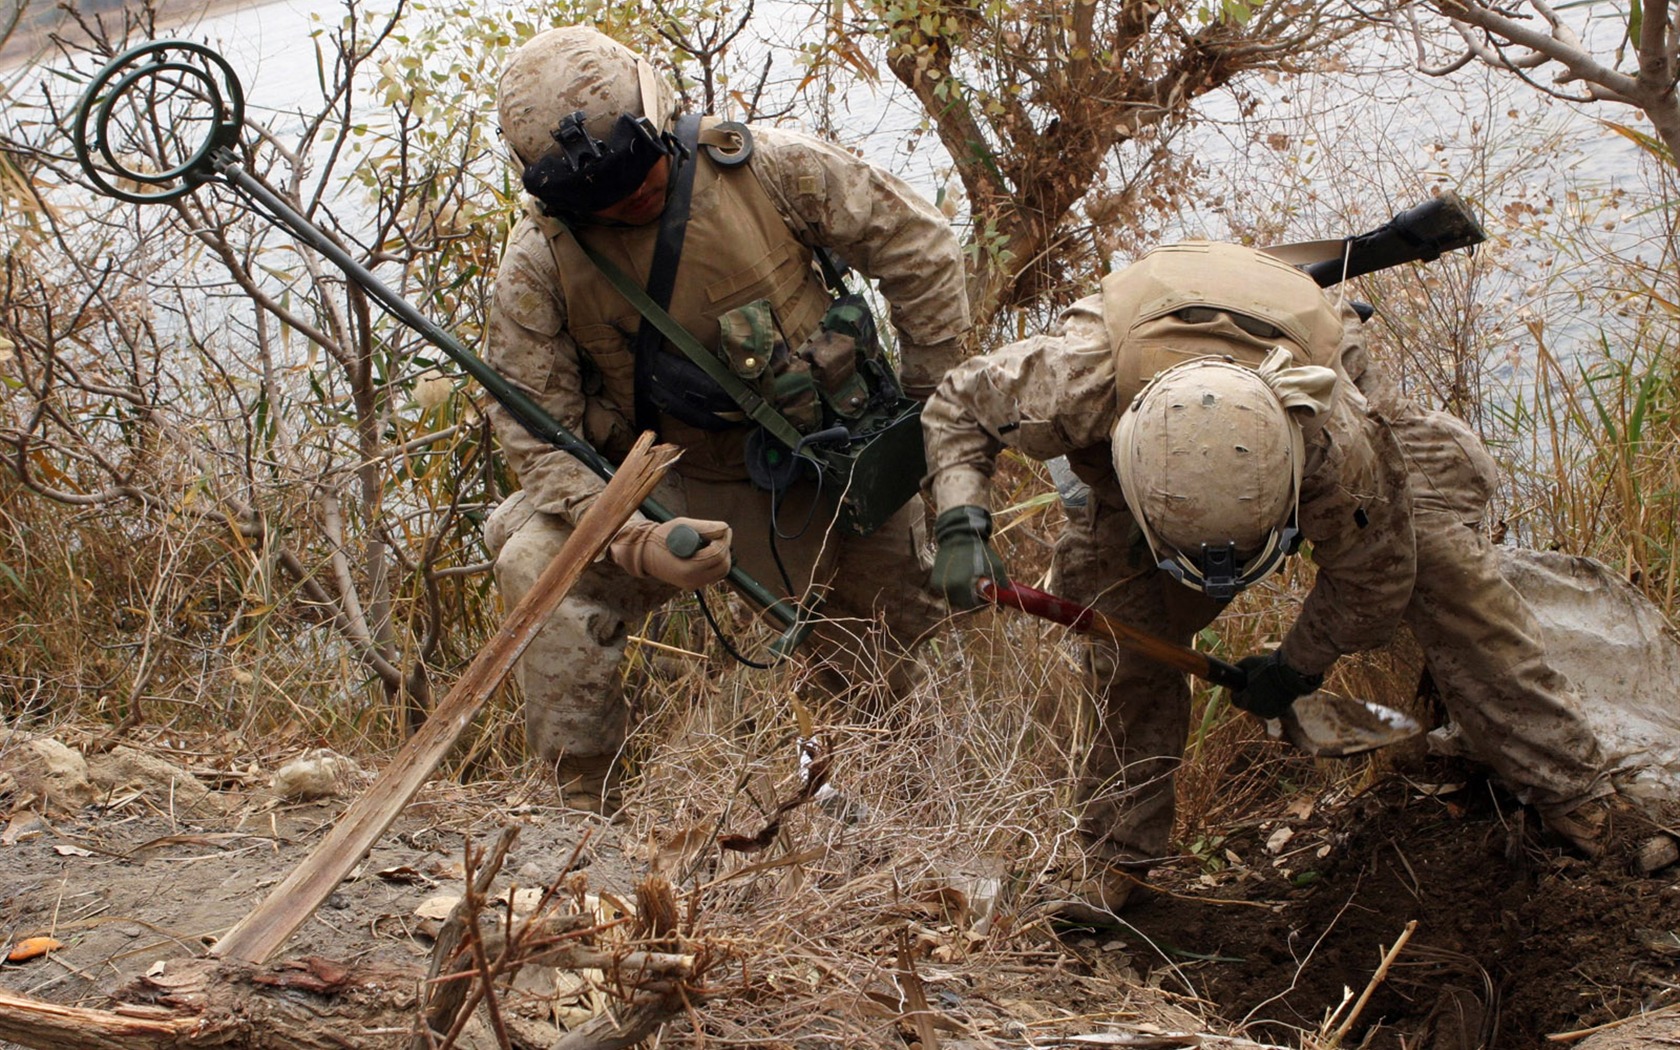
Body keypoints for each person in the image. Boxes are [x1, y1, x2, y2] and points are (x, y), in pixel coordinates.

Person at [922, 240, 1616, 920]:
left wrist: (1296, 667)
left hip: (1304, 362)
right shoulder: (1071, 384)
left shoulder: (1339, 445)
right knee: (1128, 650)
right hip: (1140, 417)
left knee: (1449, 578)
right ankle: (1117, 859)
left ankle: (1574, 791)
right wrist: (960, 522)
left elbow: (1375, 583)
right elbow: (959, 406)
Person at [479, 27, 970, 813]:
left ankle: (876, 814)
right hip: (674, 484)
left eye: (637, 171)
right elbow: (539, 434)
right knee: (537, 563)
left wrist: (933, 420)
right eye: (592, 195)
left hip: (830, 468)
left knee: (888, 679)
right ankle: (579, 814)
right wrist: (634, 543)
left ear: (656, 114)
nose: (624, 199)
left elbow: (921, 247)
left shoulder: (768, 167)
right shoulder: (540, 263)